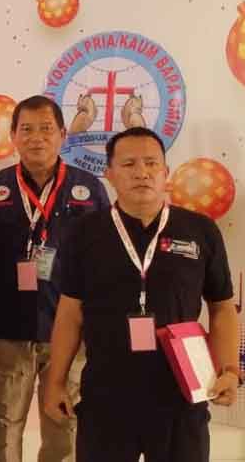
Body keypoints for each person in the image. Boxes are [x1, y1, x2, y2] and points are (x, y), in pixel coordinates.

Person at [44, 127, 240, 462]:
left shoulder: (200, 231)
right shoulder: (84, 233)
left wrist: (230, 370)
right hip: (107, 396)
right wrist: (55, 381)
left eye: (151, 163)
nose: (142, 172)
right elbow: (70, 312)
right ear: (109, 174)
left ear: (166, 172)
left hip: (181, 395)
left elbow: (222, 307)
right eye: (129, 164)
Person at [0, 96, 109, 462]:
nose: (36, 138)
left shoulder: (89, 189)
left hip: (70, 331)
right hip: (8, 331)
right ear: (13, 136)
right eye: (26, 129)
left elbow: (105, 264)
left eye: (46, 129)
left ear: (62, 134)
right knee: (3, 428)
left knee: (65, 427)